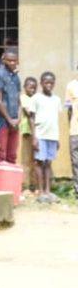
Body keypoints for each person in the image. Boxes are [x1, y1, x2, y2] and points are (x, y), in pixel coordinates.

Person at [32, 72, 61, 203]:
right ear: (41, 83)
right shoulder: (36, 98)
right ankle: (40, 191)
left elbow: (55, 119)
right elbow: (32, 118)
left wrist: (57, 138)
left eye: (51, 82)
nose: (49, 84)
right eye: (46, 82)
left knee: (48, 163)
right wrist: (34, 137)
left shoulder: (57, 99)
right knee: (39, 162)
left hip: (52, 135)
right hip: (40, 135)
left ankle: (48, 191)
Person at [0, 48, 21, 164]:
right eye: (9, 61)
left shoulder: (15, 76)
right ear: (3, 60)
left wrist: (18, 118)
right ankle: (0, 181)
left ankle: (10, 181)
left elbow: (18, 100)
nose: (12, 63)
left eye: (14, 61)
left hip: (15, 121)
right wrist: (9, 120)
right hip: (2, 121)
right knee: (0, 153)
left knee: (12, 155)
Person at [20, 76, 38, 194]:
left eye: (34, 87)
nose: (32, 89)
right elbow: (29, 112)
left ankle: (34, 184)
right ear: (25, 87)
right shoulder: (23, 98)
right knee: (26, 159)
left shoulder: (37, 98)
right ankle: (25, 185)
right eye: (30, 87)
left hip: (37, 132)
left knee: (35, 160)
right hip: (27, 132)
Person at [66, 66, 78, 196]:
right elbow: (68, 108)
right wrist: (71, 125)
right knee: (76, 161)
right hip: (75, 130)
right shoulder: (71, 86)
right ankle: (77, 189)